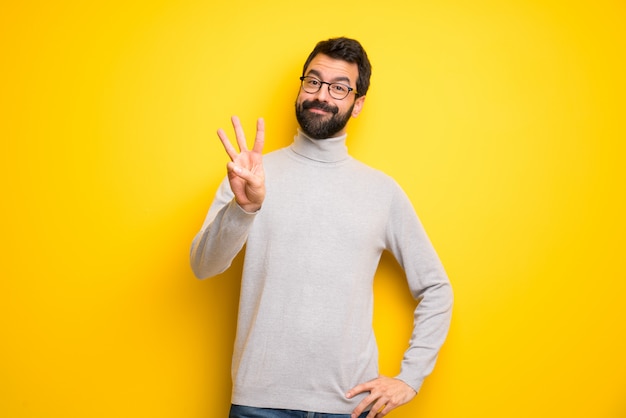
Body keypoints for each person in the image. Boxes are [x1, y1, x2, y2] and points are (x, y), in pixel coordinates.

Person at [190, 37, 453, 418]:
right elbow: (203, 266)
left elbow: (436, 288)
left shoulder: (381, 191)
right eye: (312, 82)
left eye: (339, 87)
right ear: (300, 88)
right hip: (258, 404)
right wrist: (243, 209)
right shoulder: (249, 175)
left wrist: (409, 378)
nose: (321, 95)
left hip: (348, 407)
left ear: (357, 103)